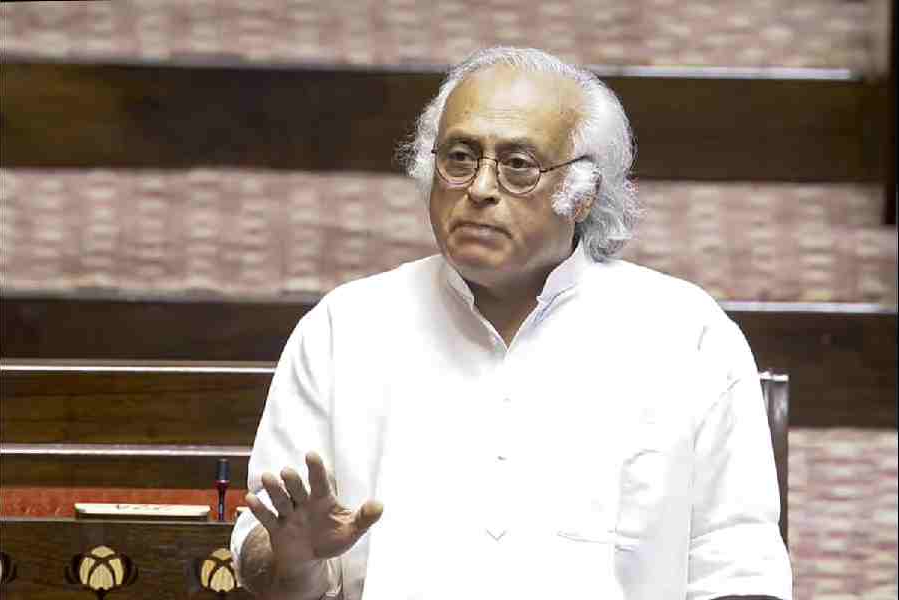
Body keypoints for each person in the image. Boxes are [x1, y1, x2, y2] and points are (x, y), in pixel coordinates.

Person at [230, 47, 792, 600]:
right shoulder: (345, 329)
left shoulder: (684, 335)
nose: (478, 189)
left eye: (518, 167)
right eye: (459, 158)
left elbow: (739, 571)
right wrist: (291, 561)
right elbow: (266, 553)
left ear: (583, 192)